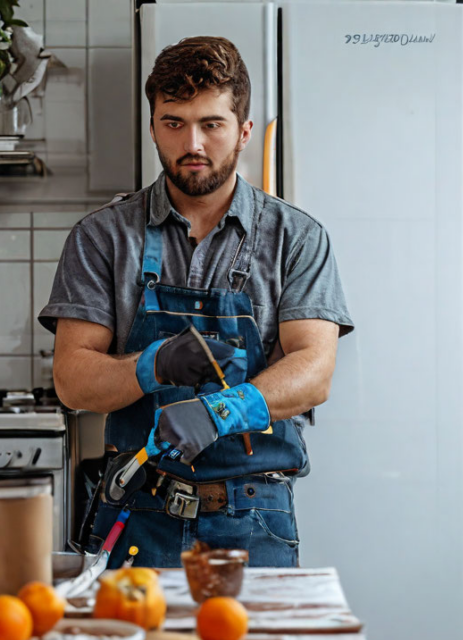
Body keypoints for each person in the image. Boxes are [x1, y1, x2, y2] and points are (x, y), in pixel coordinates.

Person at [38, 36, 353, 568]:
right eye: (173, 122)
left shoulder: (296, 238)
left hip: (254, 521)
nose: (193, 143)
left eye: (211, 123)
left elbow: (314, 370)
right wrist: (153, 364)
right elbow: (72, 379)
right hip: (137, 510)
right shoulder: (103, 238)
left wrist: (221, 411)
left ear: (244, 131)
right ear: (154, 125)